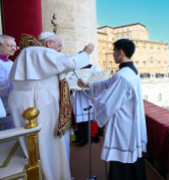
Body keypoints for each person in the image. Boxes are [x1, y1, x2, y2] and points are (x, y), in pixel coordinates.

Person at [8, 32, 94, 180]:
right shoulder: (39, 51)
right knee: (48, 143)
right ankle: (53, 175)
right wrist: (85, 53)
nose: (60, 51)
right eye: (59, 46)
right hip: (40, 103)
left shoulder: (28, 52)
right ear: (49, 44)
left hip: (28, 101)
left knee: (34, 144)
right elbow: (69, 63)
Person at [78, 39, 147, 180]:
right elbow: (108, 83)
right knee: (130, 158)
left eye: (114, 51)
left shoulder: (123, 75)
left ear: (120, 52)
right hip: (129, 121)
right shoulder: (129, 71)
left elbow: (108, 103)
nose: (113, 55)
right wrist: (88, 84)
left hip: (123, 125)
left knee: (121, 159)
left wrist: (95, 101)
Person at [71, 63, 103, 146]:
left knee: (94, 118)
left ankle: (94, 136)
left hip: (92, 95)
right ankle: (83, 139)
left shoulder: (96, 69)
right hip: (80, 96)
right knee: (83, 120)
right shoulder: (75, 71)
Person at [0, 35, 17, 128]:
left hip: (12, 105)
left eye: (15, 46)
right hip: (3, 106)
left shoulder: (11, 63)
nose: (14, 49)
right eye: (10, 46)